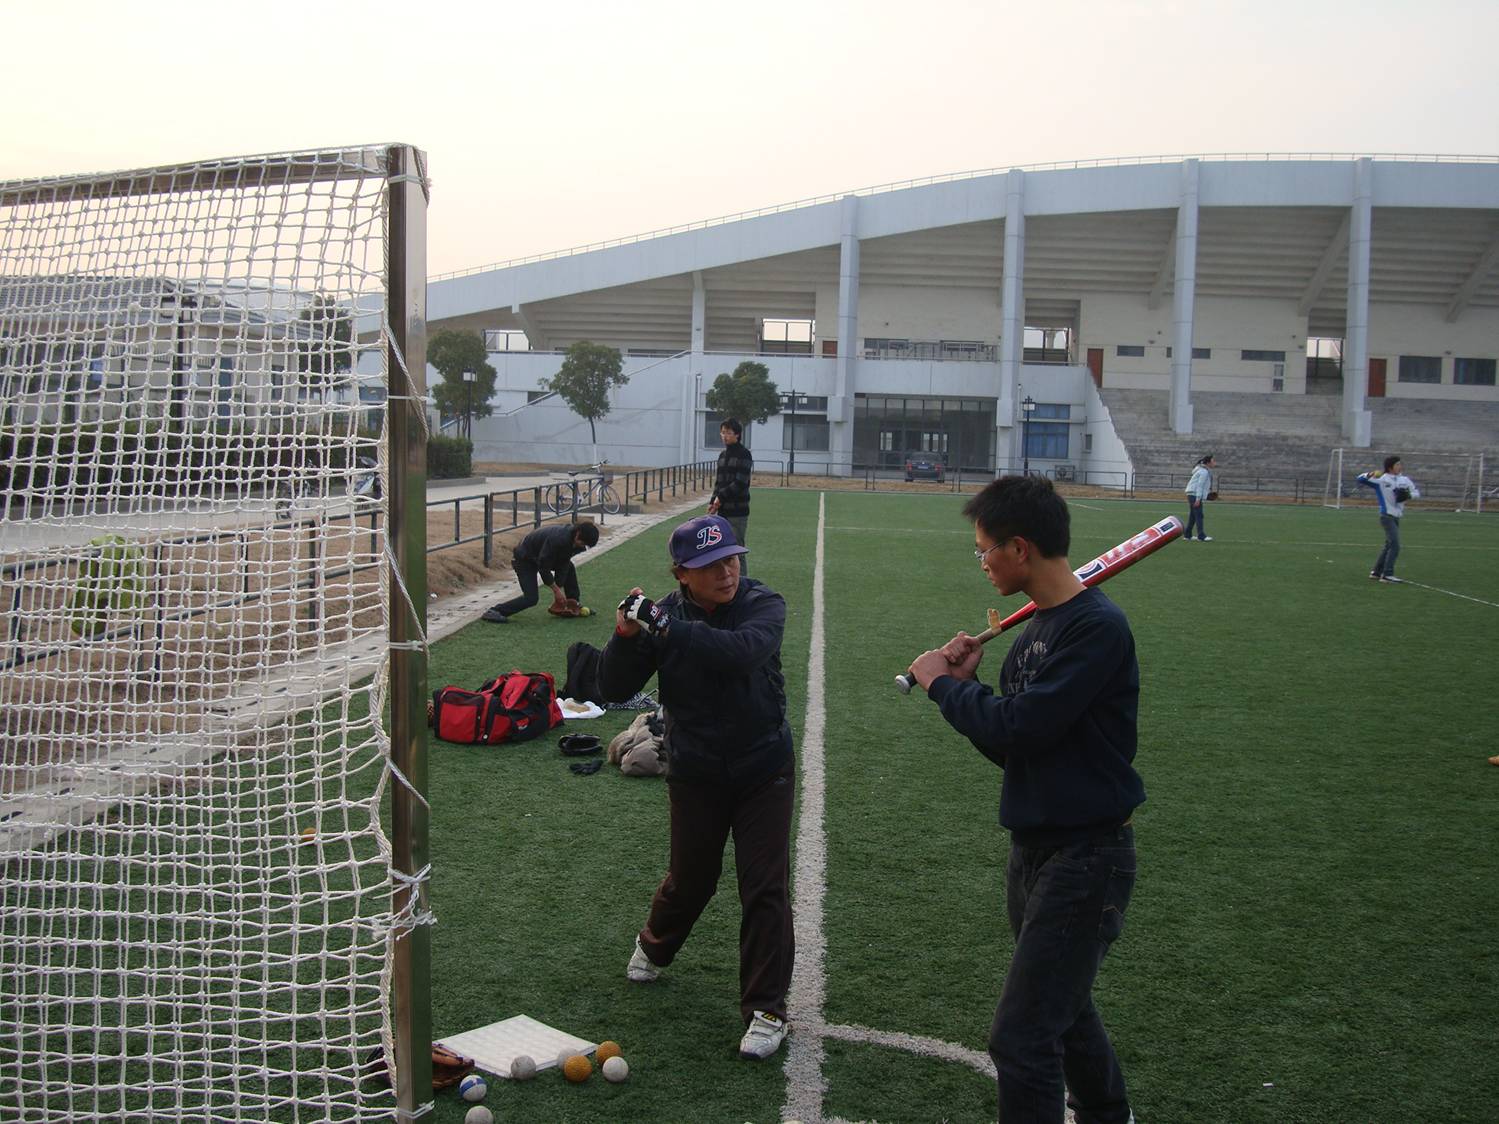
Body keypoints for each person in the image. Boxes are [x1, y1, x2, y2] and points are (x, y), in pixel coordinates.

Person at [905, 475, 1143, 1124]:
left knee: (1022, 1035)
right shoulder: (1033, 634)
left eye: (983, 549)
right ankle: (1106, 1112)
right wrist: (968, 689)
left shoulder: (1095, 630)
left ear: (1019, 548)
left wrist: (943, 690)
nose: (980, 562)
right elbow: (1015, 750)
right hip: (1034, 849)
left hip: (1087, 856)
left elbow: (1018, 726)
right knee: (1060, 1012)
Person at [599, 513, 794, 1061]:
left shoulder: (763, 603)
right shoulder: (665, 617)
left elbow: (739, 654)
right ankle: (654, 946)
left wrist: (664, 627)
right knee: (692, 880)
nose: (728, 572)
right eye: (711, 565)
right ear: (683, 573)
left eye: (732, 558)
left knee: (765, 887)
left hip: (764, 767)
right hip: (697, 770)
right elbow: (612, 689)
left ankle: (766, 1009)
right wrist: (625, 634)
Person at [481, 521, 598, 622]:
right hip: (524, 559)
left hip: (539, 557)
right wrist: (556, 590)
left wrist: (559, 586)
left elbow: (564, 563)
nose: (583, 547)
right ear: (578, 534)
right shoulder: (558, 539)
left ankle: (573, 604)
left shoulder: (576, 542)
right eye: (583, 543)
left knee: (569, 567)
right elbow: (544, 567)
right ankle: (495, 611)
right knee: (531, 599)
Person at [1356, 456, 1420, 583]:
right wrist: (1371, 473)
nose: (1400, 467)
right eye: (1397, 464)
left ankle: (1376, 572)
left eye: (1400, 464)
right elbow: (1360, 479)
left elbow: (1417, 493)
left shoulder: (1405, 480)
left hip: (1397, 516)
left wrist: (1408, 495)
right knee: (1395, 545)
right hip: (1386, 516)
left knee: (1389, 545)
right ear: (1390, 467)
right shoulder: (1381, 479)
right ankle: (1387, 574)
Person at [707, 417, 753, 575]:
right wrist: (713, 501)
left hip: (738, 512)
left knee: (737, 550)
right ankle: (728, 580)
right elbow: (719, 482)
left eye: (728, 432)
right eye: (722, 432)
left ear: (737, 434)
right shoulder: (722, 456)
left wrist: (721, 497)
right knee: (723, 549)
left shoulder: (745, 454)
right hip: (723, 511)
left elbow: (740, 483)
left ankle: (743, 583)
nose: (724, 436)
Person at [1183, 453, 1216, 541]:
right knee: (1199, 515)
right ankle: (1201, 536)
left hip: (1191, 494)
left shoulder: (1201, 470)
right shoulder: (1204, 472)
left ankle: (1187, 535)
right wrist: (1198, 499)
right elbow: (1200, 486)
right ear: (1208, 463)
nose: (1214, 463)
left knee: (1193, 516)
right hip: (1194, 495)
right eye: (1213, 461)